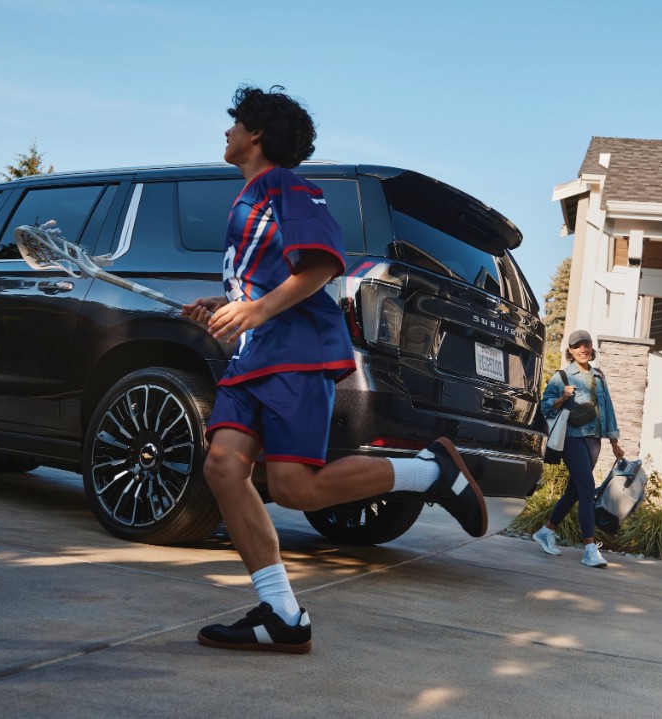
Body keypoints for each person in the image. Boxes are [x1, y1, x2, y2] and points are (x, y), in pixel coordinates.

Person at [182, 85, 487, 654]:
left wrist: (258, 308)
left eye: (235, 123)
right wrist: (224, 303)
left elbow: (322, 264)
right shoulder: (248, 197)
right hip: (254, 355)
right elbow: (264, 283)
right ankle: (280, 614)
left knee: (297, 489)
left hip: (294, 352)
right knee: (223, 466)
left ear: (257, 135)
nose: (225, 132)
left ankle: (428, 471)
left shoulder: (287, 187)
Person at [533, 329, 624, 567]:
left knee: (574, 491)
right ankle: (589, 549)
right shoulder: (562, 376)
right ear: (571, 351)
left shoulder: (599, 376)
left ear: (591, 349)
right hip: (571, 439)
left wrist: (615, 443)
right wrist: (562, 397)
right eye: (578, 346)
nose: (583, 349)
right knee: (586, 489)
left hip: (595, 440)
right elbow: (545, 407)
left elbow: (609, 410)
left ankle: (546, 531)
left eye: (587, 345)